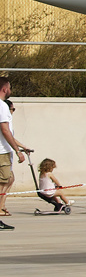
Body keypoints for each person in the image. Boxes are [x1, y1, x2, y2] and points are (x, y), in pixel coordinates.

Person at [0, 76, 31, 230]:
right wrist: (18, 151)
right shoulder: (2, 106)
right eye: (9, 88)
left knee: (7, 180)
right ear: (5, 89)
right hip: (1, 153)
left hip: (3, 152)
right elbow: (5, 131)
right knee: (3, 182)